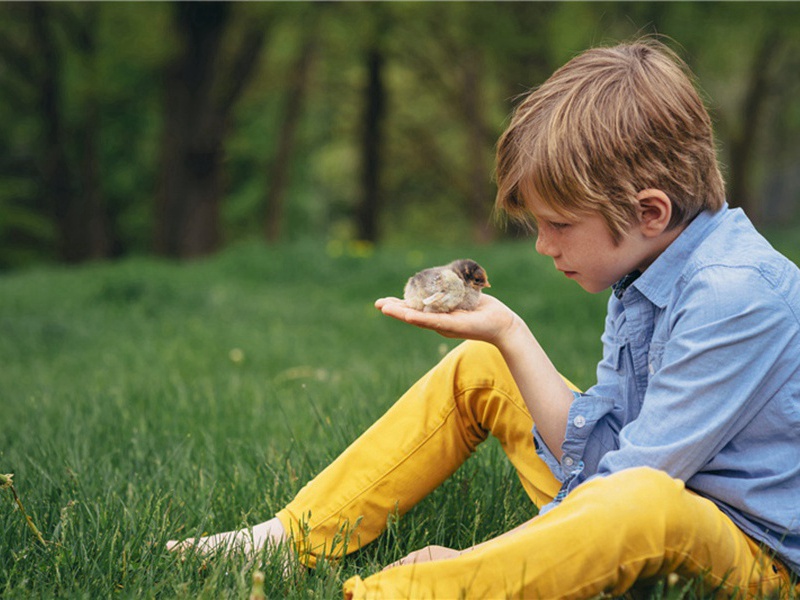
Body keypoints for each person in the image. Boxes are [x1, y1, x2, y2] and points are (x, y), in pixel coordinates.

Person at [167, 39, 800, 599]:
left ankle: (405, 593)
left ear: (650, 212)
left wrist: (477, 556)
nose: (542, 246)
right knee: (483, 364)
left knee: (641, 499)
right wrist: (508, 333)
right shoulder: (641, 273)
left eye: (557, 225)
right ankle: (288, 538)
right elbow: (601, 454)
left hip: (747, 557)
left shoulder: (734, 296)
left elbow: (633, 484)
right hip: (634, 503)